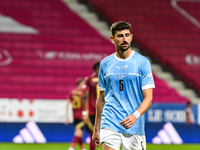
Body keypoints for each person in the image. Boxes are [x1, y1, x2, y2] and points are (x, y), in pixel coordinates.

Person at [92, 21, 155, 150]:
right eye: (120, 36)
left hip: (133, 125)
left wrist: (135, 116)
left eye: (127, 35)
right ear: (112, 39)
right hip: (110, 121)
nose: (124, 39)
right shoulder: (105, 63)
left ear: (131, 37)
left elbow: (148, 98)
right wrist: (96, 128)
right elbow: (101, 98)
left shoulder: (142, 62)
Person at [82, 61, 100, 150]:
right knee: (108, 135)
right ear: (98, 68)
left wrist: (85, 112)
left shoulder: (88, 79)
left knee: (93, 134)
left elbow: (85, 96)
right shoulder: (106, 79)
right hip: (105, 111)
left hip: (93, 111)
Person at [66, 78, 86, 150]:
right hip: (81, 115)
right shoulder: (83, 92)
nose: (84, 85)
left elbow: (67, 104)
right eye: (83, 84)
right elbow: (85, 104)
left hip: (75, 115)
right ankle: (72, 147)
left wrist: (67, 116)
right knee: (78, 131)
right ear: (80, 84)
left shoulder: (72, 92)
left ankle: (82, 148)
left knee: (79, 131)